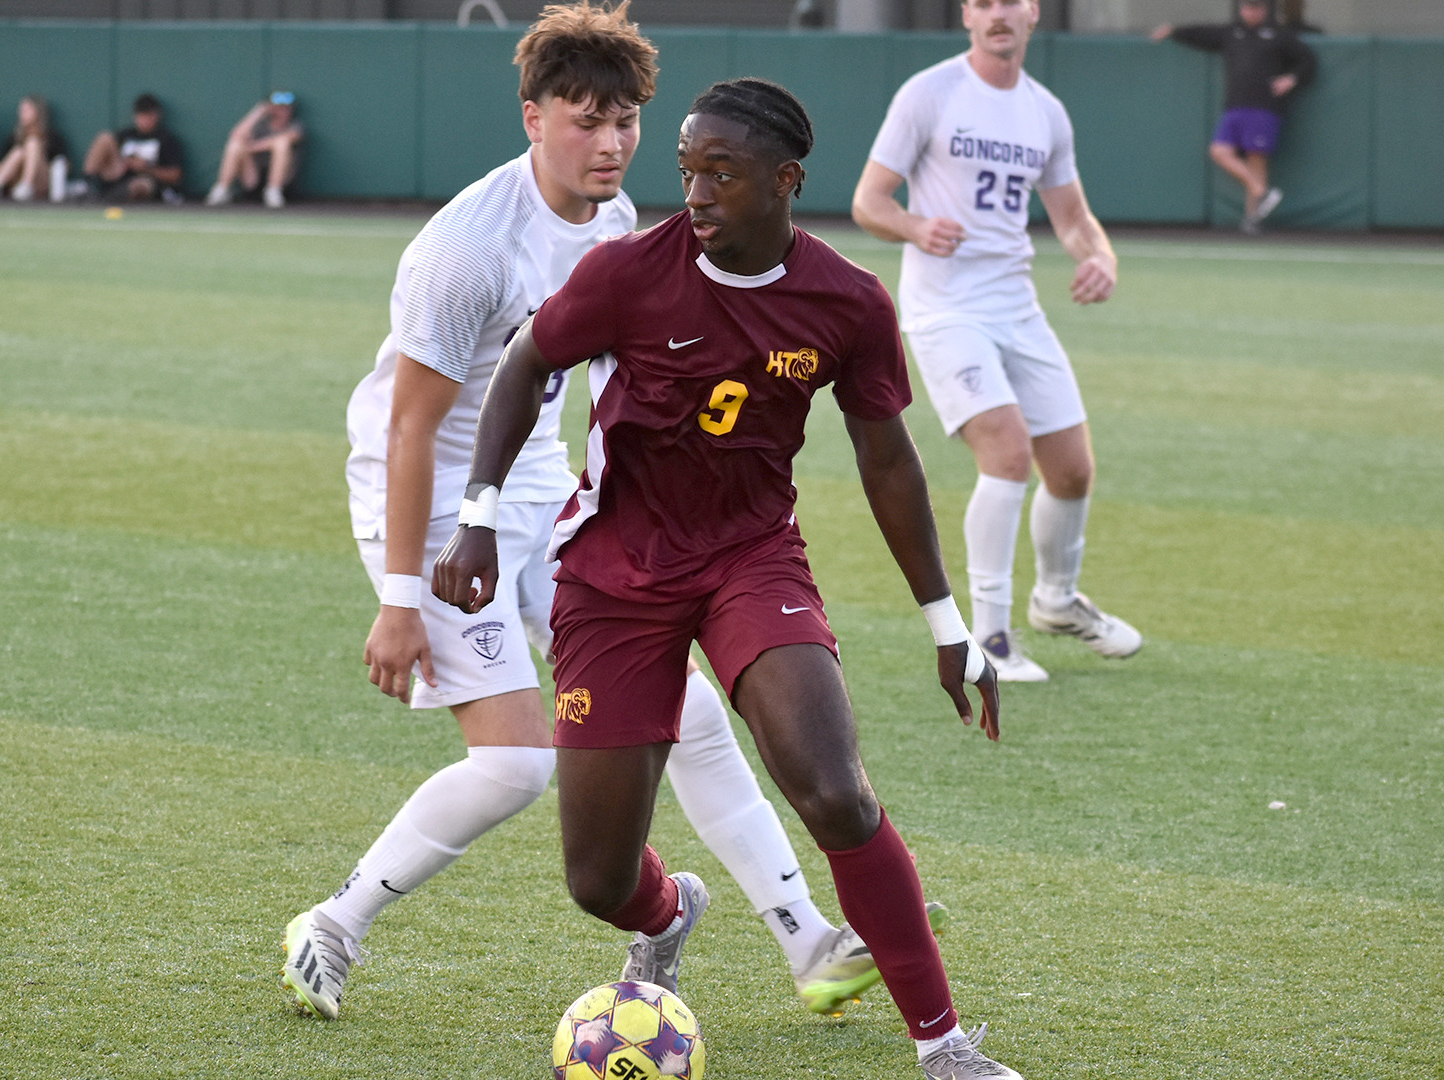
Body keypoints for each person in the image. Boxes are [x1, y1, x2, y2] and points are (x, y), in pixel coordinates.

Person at [286, 1, 910, 1028]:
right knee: (518, 762)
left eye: (625, 120)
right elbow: (409, 430)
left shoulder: (622, 221)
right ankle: (333, 925)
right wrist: (402, 596)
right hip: (444, 510)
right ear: (532, 117)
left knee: (694, 715)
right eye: (586, 119)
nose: (611, 143)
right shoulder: (467, 250)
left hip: (548, 497)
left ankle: (807, 940)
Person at [434, 74, 1022, 1080]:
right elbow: (527, 363)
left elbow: (889, 459)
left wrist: (946, 620)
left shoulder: (847, 302)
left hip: (752, 561)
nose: (696, 194)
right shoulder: (629, 274)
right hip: (614, 574)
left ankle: (945, 1045)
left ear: (786, 181)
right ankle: (670, 912)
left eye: (723, 174)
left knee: (834, 791)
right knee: (595, 877)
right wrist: (478, 518)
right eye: (687, 171)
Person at [852, 0, 1141, 683]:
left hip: (1017, 307)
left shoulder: (1046, 111)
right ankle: (989, 637)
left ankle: (1058, 601)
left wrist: (1098, 256)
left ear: (1032, 12)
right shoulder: (930, 92)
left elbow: (1073, 217)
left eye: (1010, 0)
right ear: (967, 16)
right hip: (946, 311)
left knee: (1072, 468)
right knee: (1008, 454)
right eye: (983, 3)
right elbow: (870, 201)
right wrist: (916, 228)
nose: (998, 13)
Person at [1153, 0, 1317, 234]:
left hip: (1264, 107)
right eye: (1247, 7)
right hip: (1235, 106)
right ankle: (1262, 191)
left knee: (1256, 158)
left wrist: (1292, 79)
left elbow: (1308, 60)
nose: (1251, 11)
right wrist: (1174, 31)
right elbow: (1203, 35)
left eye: (1256, 7)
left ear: (1264, 10)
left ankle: (1253, 218)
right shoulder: (1232, 33)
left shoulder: (1279, 35)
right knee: (1219, 151)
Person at [204, 91, 302, 209]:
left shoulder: (296, 126)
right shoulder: (260, 125)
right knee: (235, 144)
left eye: (286, 108)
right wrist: (257, 113)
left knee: (281, 144)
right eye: (278, 108)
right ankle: (222, 189)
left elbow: (284, 139)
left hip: (283, 184)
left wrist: (252, 147)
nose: (282, 112)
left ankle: (274, 191)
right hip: (252, 180)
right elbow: (236, 134)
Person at [82, 94, 184, 204]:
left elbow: (175, 175)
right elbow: (113, 157)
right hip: (117, 175)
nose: (144, 120)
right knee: (104, 138)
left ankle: (114, 198)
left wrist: (145, 168)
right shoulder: (126, 134)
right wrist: (127, 162)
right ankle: (87, 185)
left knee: (140, 185)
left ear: (156, 116)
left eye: (148, 116)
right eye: (141, 116)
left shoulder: (166, 139)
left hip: (144, 181)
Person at [0, 95, 66, 202]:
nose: (22, 113)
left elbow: (63, 164)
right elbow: (5, 165)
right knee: (19, 151)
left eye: (27, 110)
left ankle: (26, 185)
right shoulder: (14, 138)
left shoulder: (52, 137)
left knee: (32, 142)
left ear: (38, 112)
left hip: (42, 184)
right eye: (21, 110)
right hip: (14, 186)